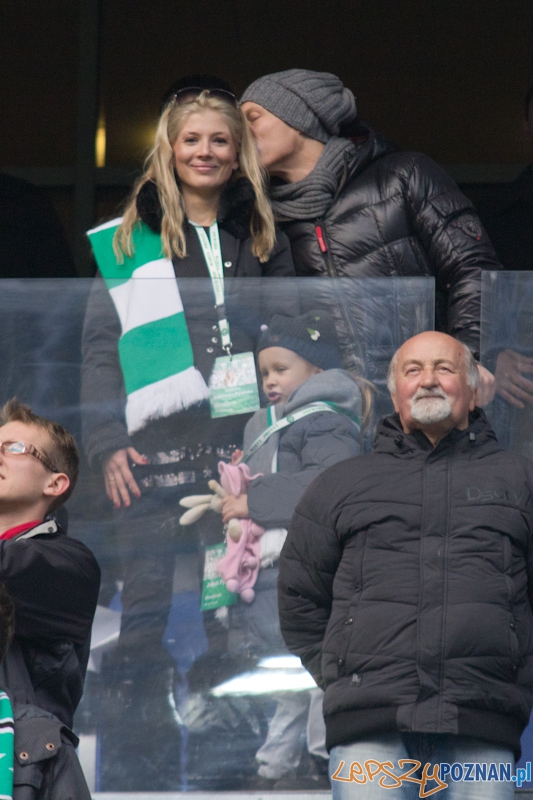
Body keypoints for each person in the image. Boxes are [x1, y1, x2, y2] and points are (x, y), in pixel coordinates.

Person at [81, 75, 295, 790]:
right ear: (168, 152)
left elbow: (288, 333)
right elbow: (97, 346)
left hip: (232, 460)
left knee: (225, 611)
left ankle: (227, 770)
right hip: (152, 463)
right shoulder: (129, 241)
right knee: (142, 612)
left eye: (219, 141)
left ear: (238, 156)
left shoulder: (260, 233)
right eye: (191, 140)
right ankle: (138, 770)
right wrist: (108, 443)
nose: (204, 151)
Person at [278, 330, 533, 799]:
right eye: (413, 370)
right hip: (368, 721)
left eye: (445, 368)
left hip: (482, 716)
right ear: (395, 393)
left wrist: (516, 675)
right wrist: (341, 673)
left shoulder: (519, 480)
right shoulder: (342, 484)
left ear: (473, 388)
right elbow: (300, 596)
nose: (428, 381)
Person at [240, 69, 501, 404]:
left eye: (253, 117)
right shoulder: (263, 221)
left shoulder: (402, 176)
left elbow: (473, 269)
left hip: (428, 398)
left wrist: (466, 363)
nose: (241, 131)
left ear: (301, 117)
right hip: (336, 412)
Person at [217, 310, 368, 789]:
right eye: (264, 373)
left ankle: (321, 760)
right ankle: (278, 764)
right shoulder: (271, 426)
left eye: (282, 369)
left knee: (315, 673)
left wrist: (251, 500)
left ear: (318, 372)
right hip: (272, 571)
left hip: (306, 567)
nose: (270, 381)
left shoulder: (325, 422)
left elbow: (327, 484)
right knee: (293, 678)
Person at [0, 399, 100, 799]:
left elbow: (8, 571)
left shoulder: (70, 565)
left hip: (29, 775)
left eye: (13, 448)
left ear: (55, 484)